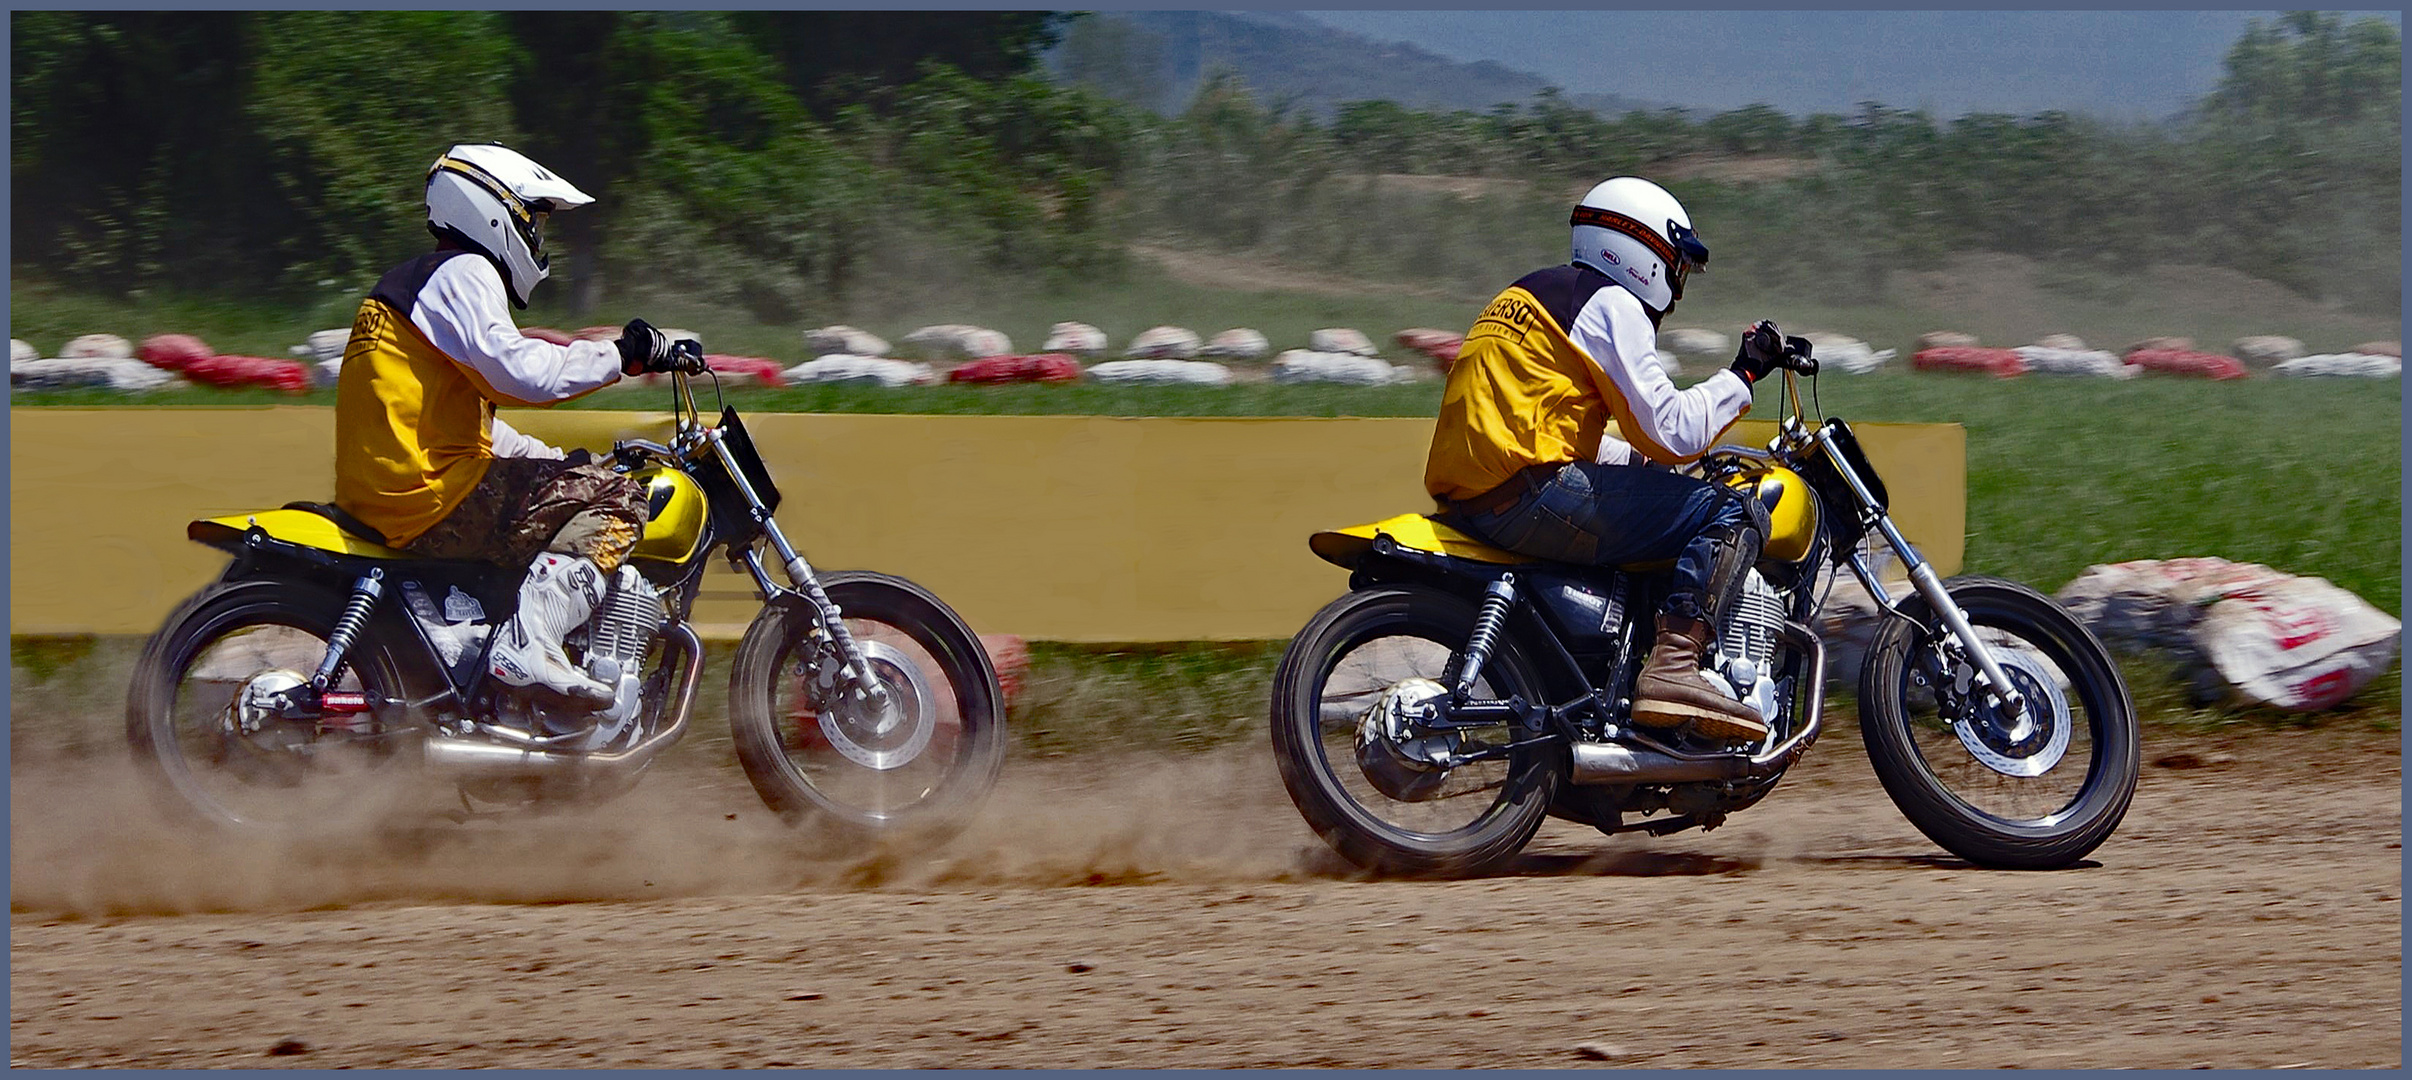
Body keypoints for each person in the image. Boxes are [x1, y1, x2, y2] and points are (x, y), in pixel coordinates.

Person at [1423, 175, 1806, 741]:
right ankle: (1675, 668)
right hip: (1531, 494)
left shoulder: (1526, 295)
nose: (1675, 294)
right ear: (1642, 250)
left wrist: (1639, 466)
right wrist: (1744, 372)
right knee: (1734, 512)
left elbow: (1544, 423)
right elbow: (1672, 429)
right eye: (1676, 269)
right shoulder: (1608, 303)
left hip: (1482, 491)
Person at [332, 142, 701, 707]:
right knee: (623, 497)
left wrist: (558, 463)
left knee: (581, 482)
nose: (537, 238)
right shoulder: (464, 272)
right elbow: (524, 375)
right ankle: (534, 645)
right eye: (535, 219)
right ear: (493, 209)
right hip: (429, 494)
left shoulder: (419, 286)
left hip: (403, 488)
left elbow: (465, 427)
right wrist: (625, 353)